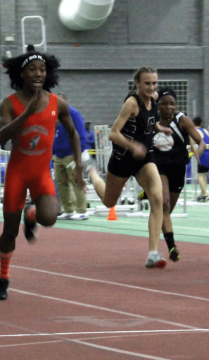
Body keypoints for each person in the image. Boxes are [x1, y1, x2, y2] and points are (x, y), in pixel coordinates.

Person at [0, 45, 86, 300]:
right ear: (21, 74)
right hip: (17, 174)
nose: (38, 74)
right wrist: (28, 113)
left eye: (42, 69)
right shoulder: (9, 104)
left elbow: (73, 132)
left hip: (41, 173)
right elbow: (1, 138)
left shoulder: (57, 103)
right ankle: (3, 276)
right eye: (32, 69)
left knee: (49, 218)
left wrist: (78, 165)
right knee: (9, 233)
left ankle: (31, 213)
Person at [86, 66, 170, 268]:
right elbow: (113, 133)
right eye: (147, 83)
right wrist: (133, 146)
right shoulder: (132, 104)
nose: (151, 87)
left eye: (154, 83)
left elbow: (149, 122)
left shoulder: (155, 99)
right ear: (138, 84)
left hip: (144, 158)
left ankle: (153, 253)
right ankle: (92, 173)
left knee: (157, 198)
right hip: (123, 157)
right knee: (109, 202)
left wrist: (160, 128)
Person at [153, 88, 205, 261]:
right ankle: (172, 247)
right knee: (164, 204)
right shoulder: (152, 121)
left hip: (177, 168)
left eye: (172, 104)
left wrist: (198, 150)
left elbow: (200, 140)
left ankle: (149, 194)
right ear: (157, 105)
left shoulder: (182, 120)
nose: (168, 107)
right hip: (158, 167)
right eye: (164, 103)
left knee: (166, 211)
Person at [53, 93, 88, 220]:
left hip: (71, 154)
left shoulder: (73, 113)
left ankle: (82, 210)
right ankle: (68, 209)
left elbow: (81, 134)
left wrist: (78, 156)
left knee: (76, 180)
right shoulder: (55, 115)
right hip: (58, 155)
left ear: (65, 102)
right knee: (61, 183)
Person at [190, 116, 209, 202]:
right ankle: (203, 194)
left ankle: (205, 194)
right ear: (201, 123)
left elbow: (191, 142)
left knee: (199, 175)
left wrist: (192, 151)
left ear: (193, 123)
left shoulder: (195, 131)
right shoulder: (206, 131)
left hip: (203, 154)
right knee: (204, 175)